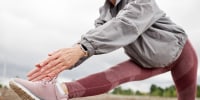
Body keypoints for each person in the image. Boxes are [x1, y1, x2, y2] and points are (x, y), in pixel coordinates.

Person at [9, 0, 198, 100]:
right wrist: (62, 62)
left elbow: (126, 25)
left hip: (180, 53)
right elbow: (96, 35)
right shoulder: (105, 12)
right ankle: (56, 93)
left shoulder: (142, 1)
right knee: (113, 74)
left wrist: (82, 48)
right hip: (145, 61)